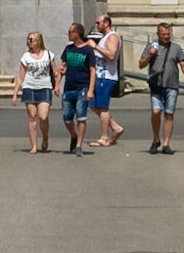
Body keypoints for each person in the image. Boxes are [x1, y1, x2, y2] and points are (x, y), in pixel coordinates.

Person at [138, 22, 184, 155]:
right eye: (163, 34)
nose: (166, 37)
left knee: (169, 114)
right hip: (156, 84)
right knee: (156, 112)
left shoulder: (176, 48)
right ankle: (156, 139)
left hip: (171, 85)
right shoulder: (151, 46)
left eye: (168, 34)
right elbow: (141, 64)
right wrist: (150, 55)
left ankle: (166, 143)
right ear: (158, 34)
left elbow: (183, 65)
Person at [56, 23, 95, 154]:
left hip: (82, 87)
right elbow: (61, 68)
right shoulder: (68, 49)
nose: (68, 34)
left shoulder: (88, 50)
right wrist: (57, 84)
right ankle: (73, 135)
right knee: (67, 118)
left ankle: (79, 145)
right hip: (69, 88)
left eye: (70, 32)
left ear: (77, 33)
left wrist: (90, 90)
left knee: (81, 116)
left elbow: (92, 70)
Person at [11, 32, 53, 153]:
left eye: (32, 39)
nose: (29, 41)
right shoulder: (26, 56)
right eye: (28, 39)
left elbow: (55, 71)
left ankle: (45, 136)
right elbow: (20, 77)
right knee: (32, 117)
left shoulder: (48, 55)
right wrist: (15, 94)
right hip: (29, 87)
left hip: (45, 87)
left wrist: (57, 85)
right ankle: (33, 145)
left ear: (39, 41)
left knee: (43, 116)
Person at [90, 13, 124, 146]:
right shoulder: (105, 37)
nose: (97, 25)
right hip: (99, 76)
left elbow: (111, 55)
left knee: (103, 107)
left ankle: (104, 137)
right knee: (93, 105)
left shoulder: (113, 37)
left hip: (107, 76)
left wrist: (96, 47)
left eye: (98, 23)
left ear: (106, 23)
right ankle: (115, 127)